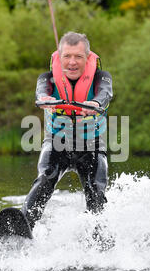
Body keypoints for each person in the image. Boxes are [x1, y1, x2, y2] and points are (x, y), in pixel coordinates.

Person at [22, 31, 113, 232]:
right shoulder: (47, 78)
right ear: (59, 56)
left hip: (92, 145)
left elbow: (105, 94)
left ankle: (99, 238)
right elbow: (41, 92)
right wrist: (45, 100)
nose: (72, 62)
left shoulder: (101, 77)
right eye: (67, 56)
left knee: (96, 190)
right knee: (46, 177)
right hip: (57, 143)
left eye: (78, 56)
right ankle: (24, 224)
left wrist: (95, 102)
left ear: (88, 58)